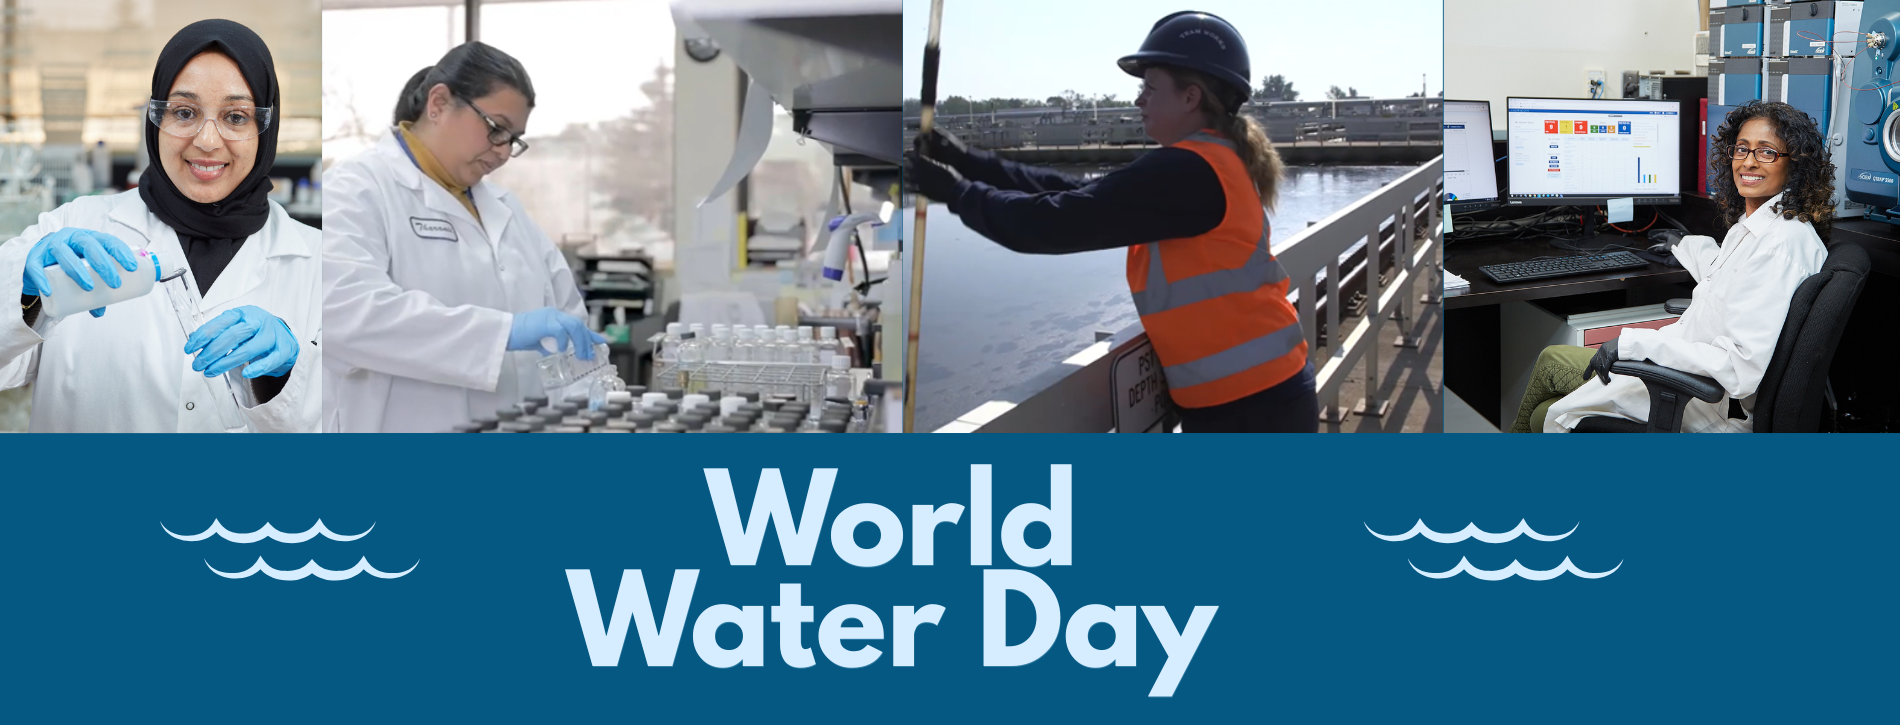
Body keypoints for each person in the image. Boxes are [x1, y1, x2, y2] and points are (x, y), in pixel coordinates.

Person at [908, 11, 1317, 433]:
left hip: (1253, 410)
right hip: (1261, 394)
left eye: (1150, 88)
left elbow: (1052, 223)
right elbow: (1073, 192)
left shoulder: (1187, 172)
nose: (1139, 100)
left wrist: (956, 193)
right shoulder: (1212, 160)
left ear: (1191, 97)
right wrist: (966, 162)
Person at [0, 19, 319, 433]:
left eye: (236, 117)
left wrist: (284, 381)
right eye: (184, 112)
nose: (207, 141)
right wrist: (25, 298)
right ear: (156, 119)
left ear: (266, 127)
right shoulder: (73, 225)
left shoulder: (322, 266)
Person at [324, 42, 604, 433]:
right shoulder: (356, 190)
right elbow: (346, 313)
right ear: (438, 103)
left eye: (514, 138)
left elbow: (567, 320)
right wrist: (503, 333)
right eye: (496, 129)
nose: (504, 151)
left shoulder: (507, 210)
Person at [1511, 100, 1831, 433]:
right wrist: (1683, 244)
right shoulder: (1768, 225)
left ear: (1795, 164)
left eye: (1766, 152)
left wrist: (1634, 343)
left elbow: (1740, 368)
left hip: (1707, 402)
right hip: (1693, 377)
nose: (1748, 162)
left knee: (1546, 407)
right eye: (1742, 149)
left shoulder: (1780, 246)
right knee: (1551, 372)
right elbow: (1727, 272)